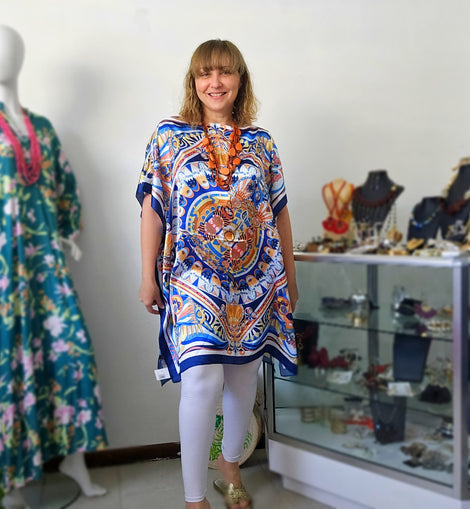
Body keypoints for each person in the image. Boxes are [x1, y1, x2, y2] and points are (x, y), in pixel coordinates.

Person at [137, 39, 298, 509]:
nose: (215, 82)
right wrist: (146, 275)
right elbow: (153, 209)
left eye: (225, 72)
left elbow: (279, 214)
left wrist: (289, 279)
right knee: (201, 381)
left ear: (240, 80)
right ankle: (194, 499)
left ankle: (230, 465)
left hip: (255, 283)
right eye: (205, 73)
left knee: (243, 380)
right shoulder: (168, 136)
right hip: (192, 281)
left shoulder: (261, 142)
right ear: (194, 82)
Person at [0, 25, 107, 507]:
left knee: (71, 354)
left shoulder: (41, 127)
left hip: (47, 263)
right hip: (6, 270)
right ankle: (15, 476)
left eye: (11, 49)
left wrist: (68, 230)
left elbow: (65, 184)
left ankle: (73, 458)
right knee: (13, 363)